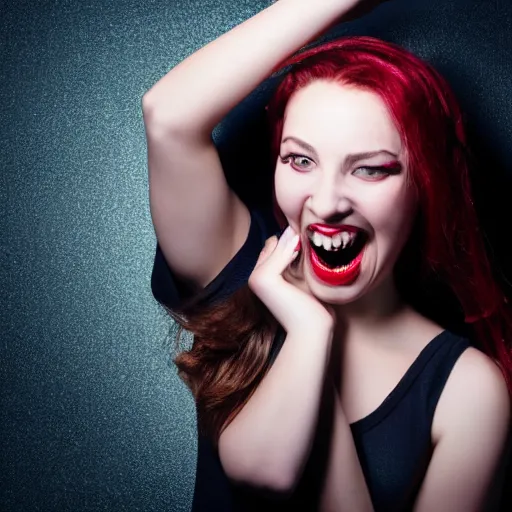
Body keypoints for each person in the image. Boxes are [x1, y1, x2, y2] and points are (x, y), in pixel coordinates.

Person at [142, 0, 512, 510]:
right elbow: (168, 116)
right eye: (300, 160)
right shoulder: (243, 269)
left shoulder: (467, 390)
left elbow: (268, 473)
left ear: (423, 185)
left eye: (371, 169)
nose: (327, 202)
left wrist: (314, 330)